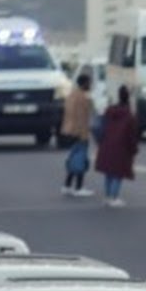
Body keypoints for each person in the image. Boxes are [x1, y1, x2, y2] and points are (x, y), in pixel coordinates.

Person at [94, 84, 139, 207]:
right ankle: (114, 197)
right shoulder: (129, 116)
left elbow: (100, 128)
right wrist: (134, 149)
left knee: (108, 172)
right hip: (121, 147)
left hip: (106, 145)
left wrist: (100, 141)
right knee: (118, 173)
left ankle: (108, 196)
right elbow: (131, 135)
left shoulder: (109, 111)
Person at [61, 69, 95, 197]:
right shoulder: (82, 98)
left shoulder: (71, 95)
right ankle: (79, 187)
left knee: (73, 159)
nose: (90, 85)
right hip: (79, 133)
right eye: (89, 83)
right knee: (80, 160)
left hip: (69, 130)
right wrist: (84, 135)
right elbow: (81, 118)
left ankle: (67, 185)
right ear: (84, 83)